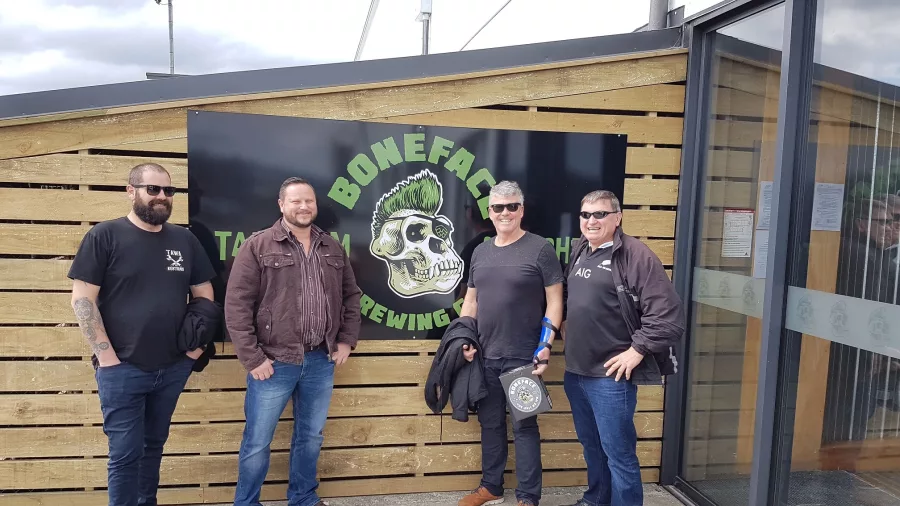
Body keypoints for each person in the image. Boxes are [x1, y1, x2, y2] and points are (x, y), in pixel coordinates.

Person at [68, 163, 216, 506]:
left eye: (169, 191)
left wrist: (193, 352)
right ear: (131, 190)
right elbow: (82, 299)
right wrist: (107, 357)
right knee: (124, 454)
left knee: (153, 448)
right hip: (122, 368)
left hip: (172, 367)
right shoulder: (104, 236)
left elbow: (204, 295)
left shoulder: (184, 239)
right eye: (153, 189)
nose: (162, 197)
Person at [225, 177, 362, 506]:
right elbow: (236, 304)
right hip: (273, 363)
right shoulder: (258, 246)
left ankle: (303, 499)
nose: (304, 206)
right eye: (296, 201)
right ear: (281, 204)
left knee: (310, 437)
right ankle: (246, 503)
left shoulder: (331, 247)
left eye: (309, 201)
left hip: (319, 361)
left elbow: (351, 297)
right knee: (258, 441)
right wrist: (253, 359)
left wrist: (345, 341)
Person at [561, 190, 684, 506]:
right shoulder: (579, 250)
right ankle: (596, 500)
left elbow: (668, 316)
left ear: (617, 218)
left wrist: (637, 350)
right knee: (592, 447)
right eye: (586, 214)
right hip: (576, 372)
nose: (592, 221)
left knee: (618, 454)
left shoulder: (636, 255)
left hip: (610, 378)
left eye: (600, 214)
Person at [458, 180, 565, 506]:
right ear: (489, 212)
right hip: (485, 357)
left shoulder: (540, 249)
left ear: (521, 210)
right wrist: (464, 338)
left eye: (511, 206)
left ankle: (528, 497)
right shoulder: (480, 250)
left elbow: (556, 302)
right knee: (490, 425)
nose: (504, 213)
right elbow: (470, 302)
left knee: (525, 428)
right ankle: (491, 487)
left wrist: (545, 345)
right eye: (497, 207)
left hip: (524, 357)